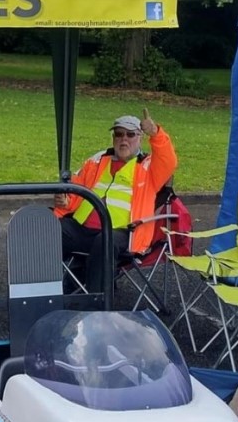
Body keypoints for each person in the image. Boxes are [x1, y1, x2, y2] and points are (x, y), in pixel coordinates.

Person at [54, 109, 177, 295]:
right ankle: (44, 294)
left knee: (105, 241)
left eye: (130, 134)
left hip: (125, 233)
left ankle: (98, 305)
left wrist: (156, 133)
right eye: (119, 134)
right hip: (82, 228)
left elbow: (169, 161)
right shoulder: (97, 161)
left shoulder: (149, 166)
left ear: (140, 138)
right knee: (46, 228)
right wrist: (65, 201)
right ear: (113, 137)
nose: (123, 139)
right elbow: (75, 189)